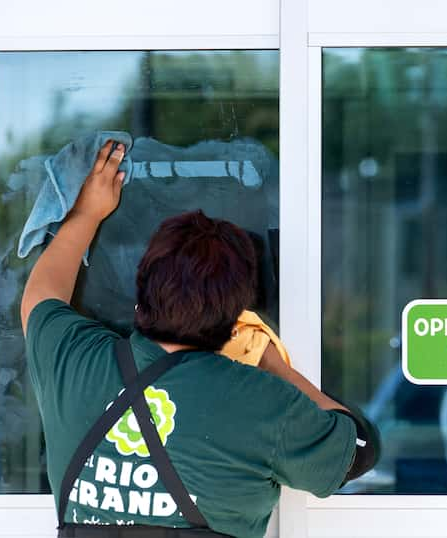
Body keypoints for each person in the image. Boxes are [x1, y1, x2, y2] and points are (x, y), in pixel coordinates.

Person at [20, 140, 378, 538]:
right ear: (233, 321)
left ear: (142, 292)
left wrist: (86, 213)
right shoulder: (259, 400)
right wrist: (268, 360)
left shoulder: (72, 360)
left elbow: (41, 295)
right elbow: (359, 449)